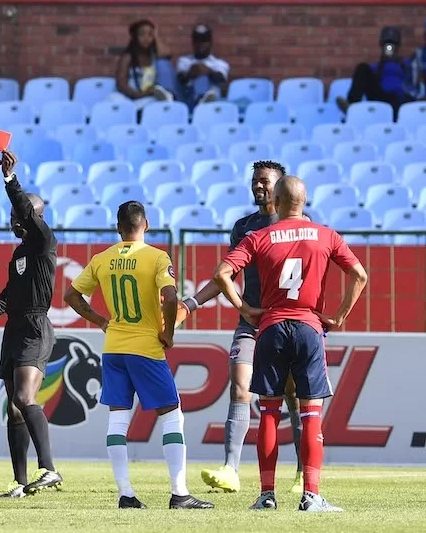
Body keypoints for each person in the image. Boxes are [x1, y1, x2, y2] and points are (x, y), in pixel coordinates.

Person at [213, 175, 368, 512]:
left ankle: (266, 495)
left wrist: (245, 309)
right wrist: (339, 315)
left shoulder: (259, 236)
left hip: (270, 328)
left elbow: (222, 274)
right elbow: (360, 275)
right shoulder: (325, 235)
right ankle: (311, 496)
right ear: (304, 201)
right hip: (309, 328)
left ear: (277, 203)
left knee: (268, 413)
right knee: (311, 414)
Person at [63, 200, 214, 510]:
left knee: (118, 419)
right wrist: (168, 333)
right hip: (145, 348)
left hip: (114, 348)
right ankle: (179, 493)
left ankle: (126, 494)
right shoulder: (156, 257)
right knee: (172, 415)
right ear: (146, 225)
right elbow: (170, 296)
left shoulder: (102, 259)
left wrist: (100, 320)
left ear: (119, 228)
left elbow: (70, 296)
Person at [183, 160, 305, 495]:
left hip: (288, 323)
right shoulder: (245, 227)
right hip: (251, 324)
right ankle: (231, 470)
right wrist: (193, 305)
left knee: (293, 396)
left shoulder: (300, 226)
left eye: (264, 181)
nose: (257, 186)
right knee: (240, 389)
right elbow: (226, 274)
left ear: (280, 188)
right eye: (255, 181)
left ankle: (301, 471)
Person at [0, 149, 62, 498]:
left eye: (19, 214)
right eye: (12, 216)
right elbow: (9, 294)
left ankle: (49, 469)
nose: (14, 220)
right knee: (14, 409)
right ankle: (20, 484)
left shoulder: (43, 242)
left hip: (35, 327)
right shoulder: (21, 253)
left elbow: (25, 208)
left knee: (23, 397)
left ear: (34, 217)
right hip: (15, 328)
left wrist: (10, 180)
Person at [336, 26, 417, 118]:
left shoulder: (407, 64)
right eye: (386, 45)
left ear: (397, 47)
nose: (389, 48)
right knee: (362, 67)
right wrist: (382, 64)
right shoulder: (376, 66)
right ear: (381, 45)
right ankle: (351, 106)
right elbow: (366, 81)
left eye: (392, 45)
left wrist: (398, 62)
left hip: (399, 101)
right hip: (380, 99)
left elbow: (413, 86)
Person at [108, 20, 174, 110]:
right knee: (113, 99)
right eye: (142, 34)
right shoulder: (128, 57)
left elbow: (167, 55)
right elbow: (121, 84)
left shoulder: (154, 55)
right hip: (129, 97)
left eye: (150, 35)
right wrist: (137, 95)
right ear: (135, 37)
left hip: (147, 97)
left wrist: (156, 37)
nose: (146, 38)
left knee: (158, 103)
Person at [175, 25, 230, 110]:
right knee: (200, 72)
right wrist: (190, 73)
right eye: (197, 41)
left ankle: (203, 100)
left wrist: (208, 71)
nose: (200, 44)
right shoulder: (184, 61)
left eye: (204, 41)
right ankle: (199, 100)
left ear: (210, 43)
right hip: (190, 103)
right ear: (193, 43)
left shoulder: (219, 63)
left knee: (202, 74)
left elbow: (221, 79)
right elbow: (180, 79)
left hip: (213, 106)